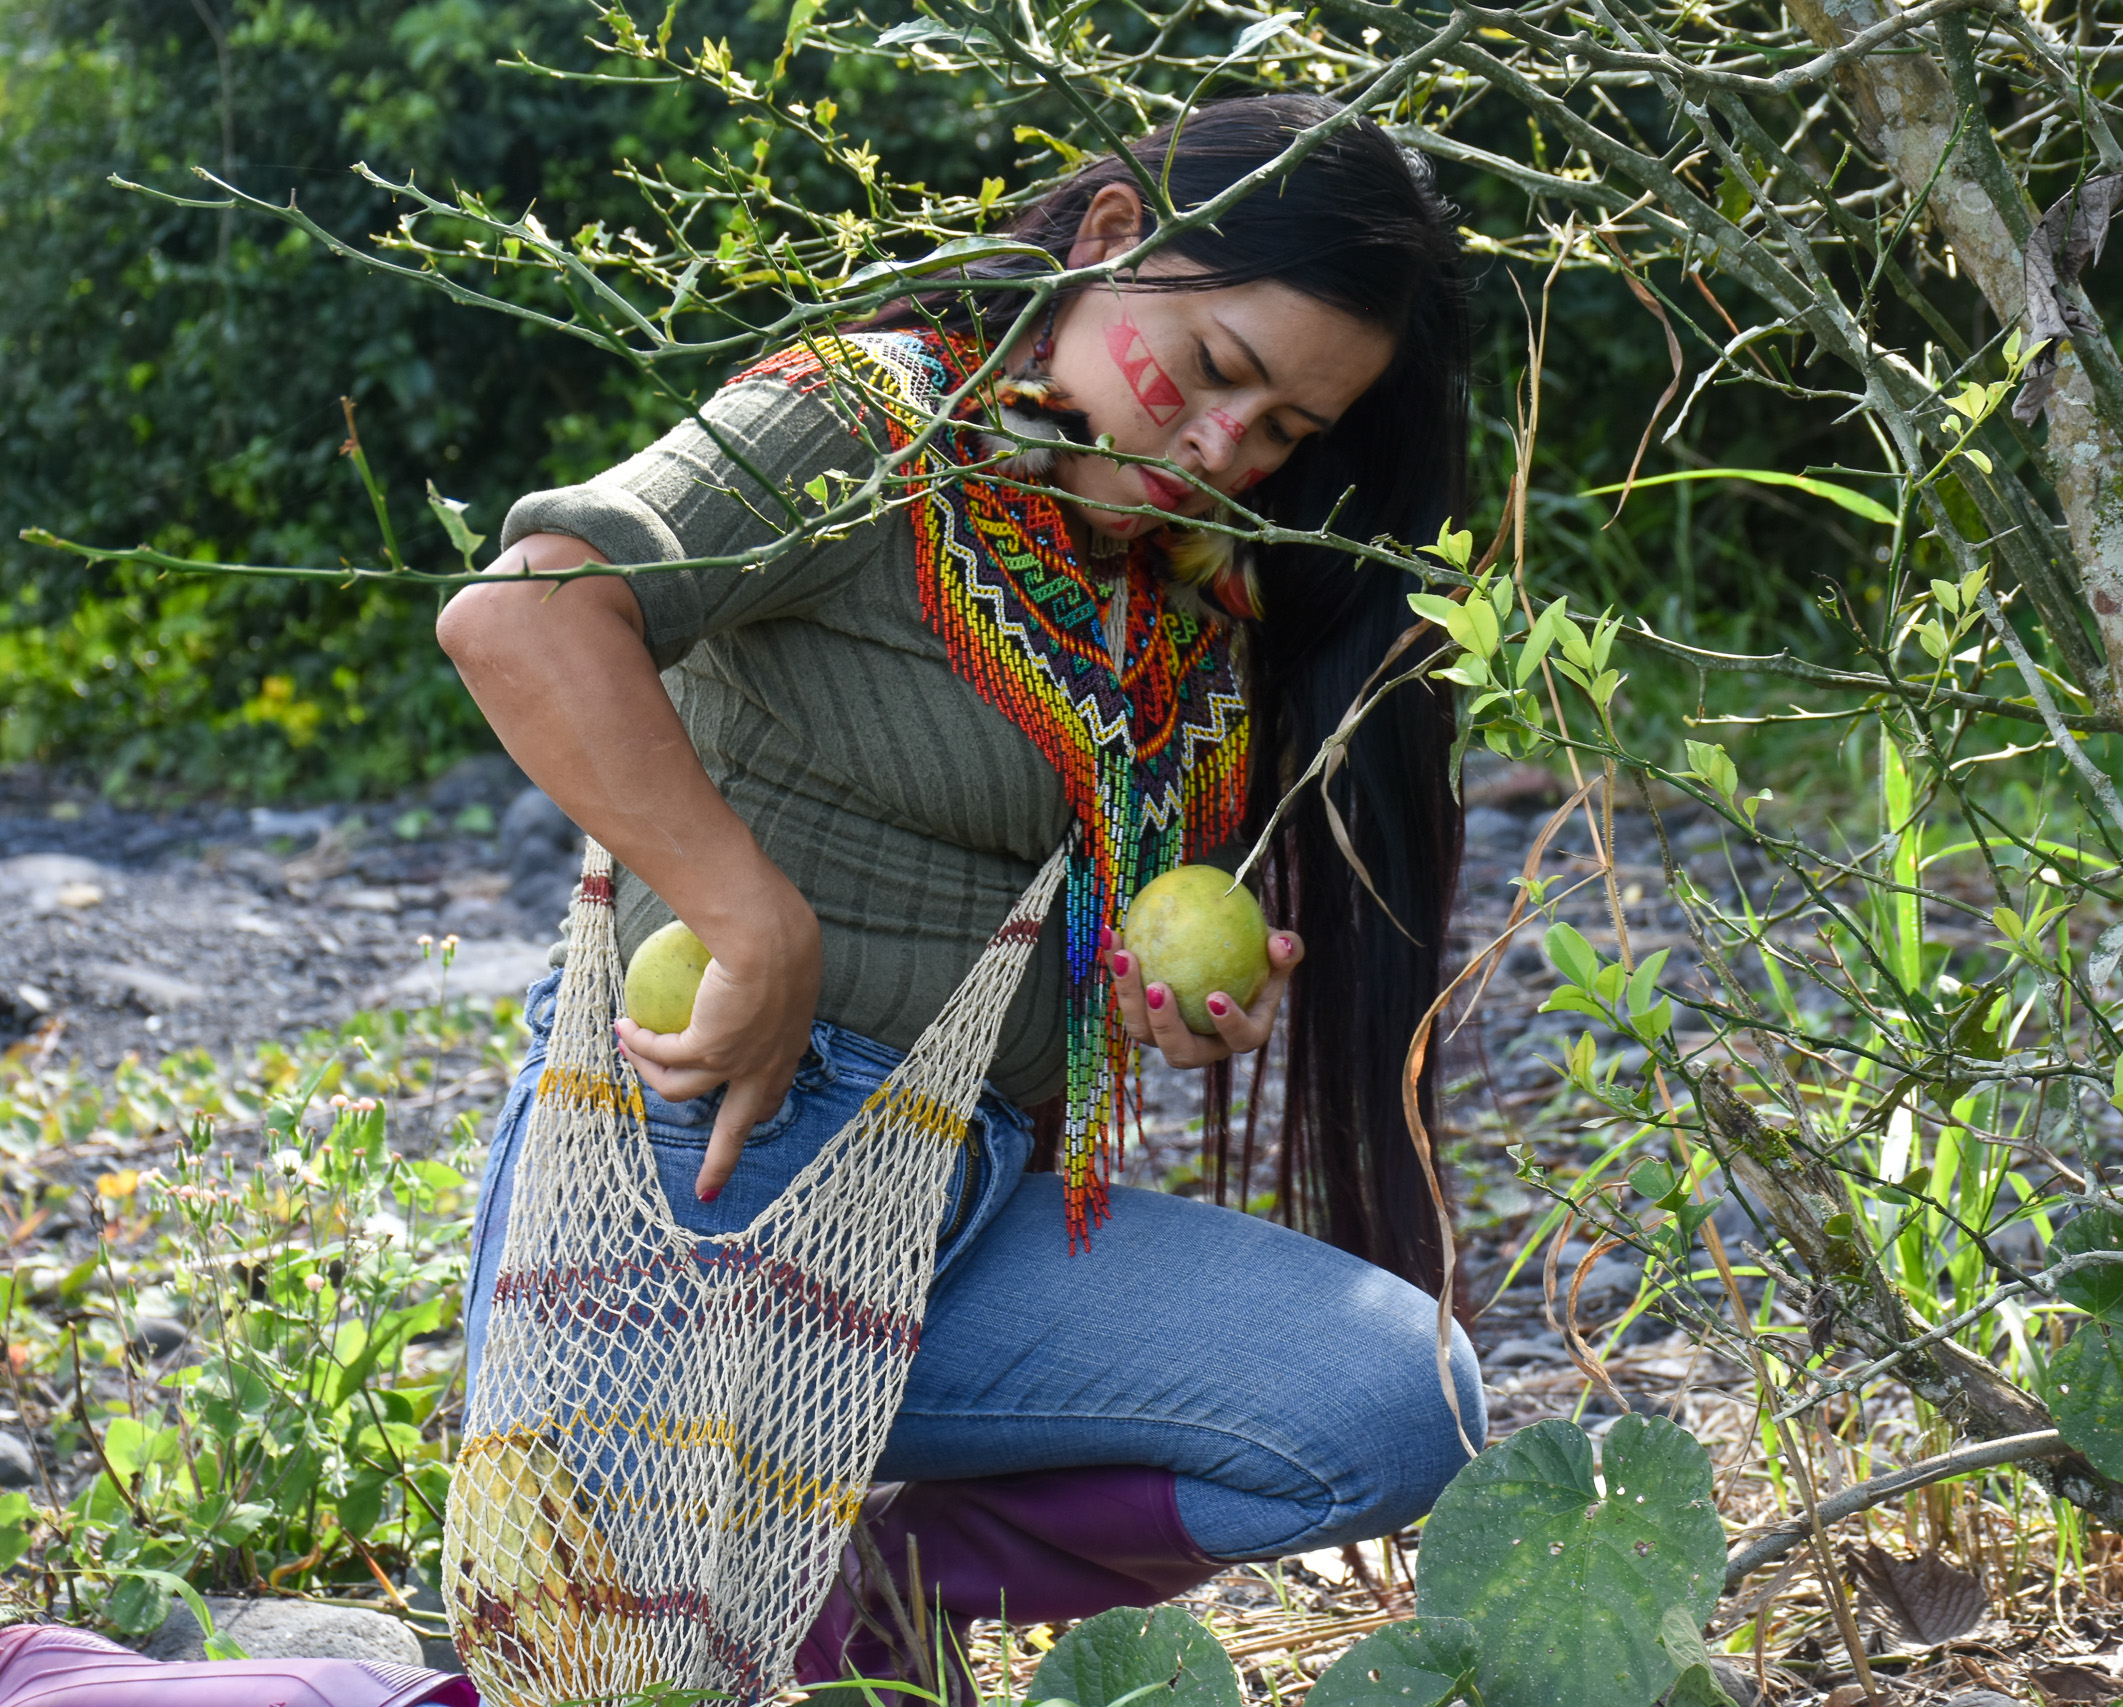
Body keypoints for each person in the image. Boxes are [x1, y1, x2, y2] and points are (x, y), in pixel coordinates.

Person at [0, 94, 1485, 1707]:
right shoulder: (867, 419)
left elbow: (1048, 895)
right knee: (596, 1688)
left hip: (967, 1218)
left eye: (1280, 432)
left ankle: (862, 1596)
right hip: (702, 1171)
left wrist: (1138, 996)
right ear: (1115, 246)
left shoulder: (1178, 593)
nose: (1223, 451)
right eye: (1212, 375)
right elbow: (526, 613)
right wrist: (748, 910)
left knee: (1403, 1399)